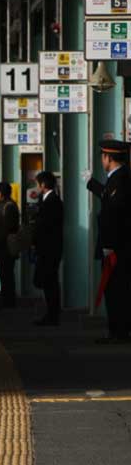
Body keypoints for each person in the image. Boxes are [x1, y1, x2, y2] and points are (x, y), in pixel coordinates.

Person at [87, 140, 131, 343]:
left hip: (116, 247)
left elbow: (115, 212)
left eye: (103, 157)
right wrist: (92, 183)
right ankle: (117, 330)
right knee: (115, 289)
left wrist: (109, 245)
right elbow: (108, 197)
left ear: (108, 158)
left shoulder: (121, 179)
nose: (102, 160)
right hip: (117, 246)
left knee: (116, 290)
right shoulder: (118, 178)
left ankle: (118, 332)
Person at [32, 171, 63, 326]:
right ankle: (51, 313)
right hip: (45, 248)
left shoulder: (53, 201)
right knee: (47, 280)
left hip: (49, 248)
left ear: (43, 185)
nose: (36, 187)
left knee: (50, 281)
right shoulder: (45, 200)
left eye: (37, 184)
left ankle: (53, 314)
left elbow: (46, 226)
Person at [0, 181, 21, 308]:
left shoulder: (8, 206)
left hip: (5, 245)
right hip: (3, 244)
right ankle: (7, 299)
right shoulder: (5, 205)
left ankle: (8, 300)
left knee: (6, 273)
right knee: (5, 272)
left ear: (0, 193)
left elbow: (7, 227)